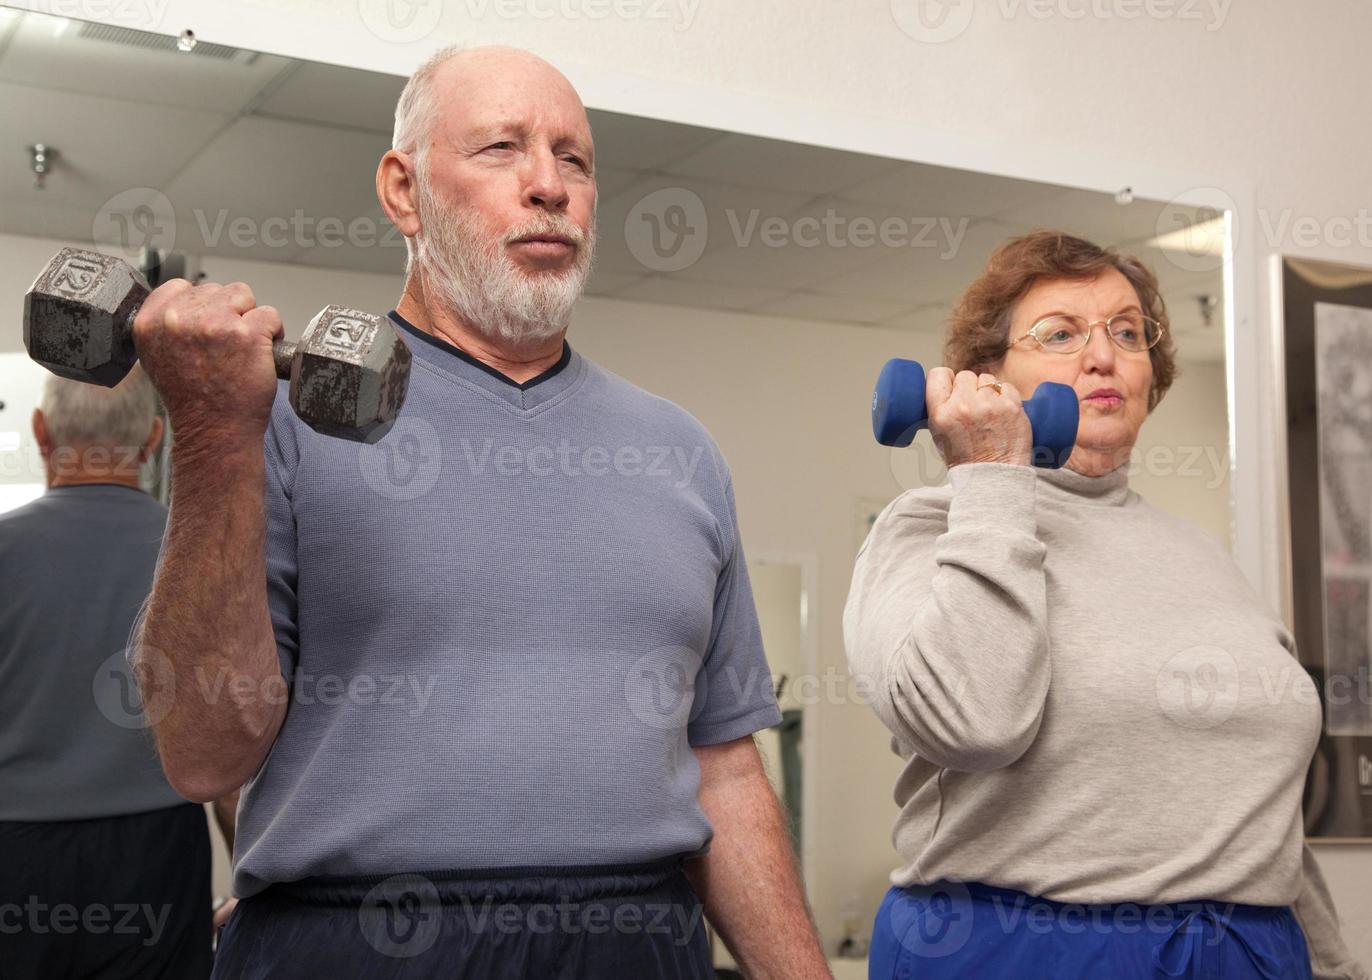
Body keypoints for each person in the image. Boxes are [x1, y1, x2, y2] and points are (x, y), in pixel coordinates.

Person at [129, 44, 831, 979]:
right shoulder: (284, 426)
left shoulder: (678, 452)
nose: (549, 185)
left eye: (573, 159)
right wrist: (215, 435)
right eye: (502, 147)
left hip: (636, 941)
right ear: (404, 190)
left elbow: (727, 769)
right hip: (358, 940)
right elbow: (203, 754)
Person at [844, 230, 1368, 979]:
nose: (1103, 355)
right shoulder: (928, 527)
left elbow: (1257, 817)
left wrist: (1334, 966)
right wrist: (993, 475)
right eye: (1060, 334)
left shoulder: (1203, 555)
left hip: (1251, 950)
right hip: (1019, 951)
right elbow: (972, 724)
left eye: (1128, 332)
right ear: (986, 377)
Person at [0, 369, 236, 980]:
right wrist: (251, 878)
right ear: (155, 439)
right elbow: (230, 742)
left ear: (42, 432)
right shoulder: (200, 558)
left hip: (16, 854)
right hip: (154, 856)